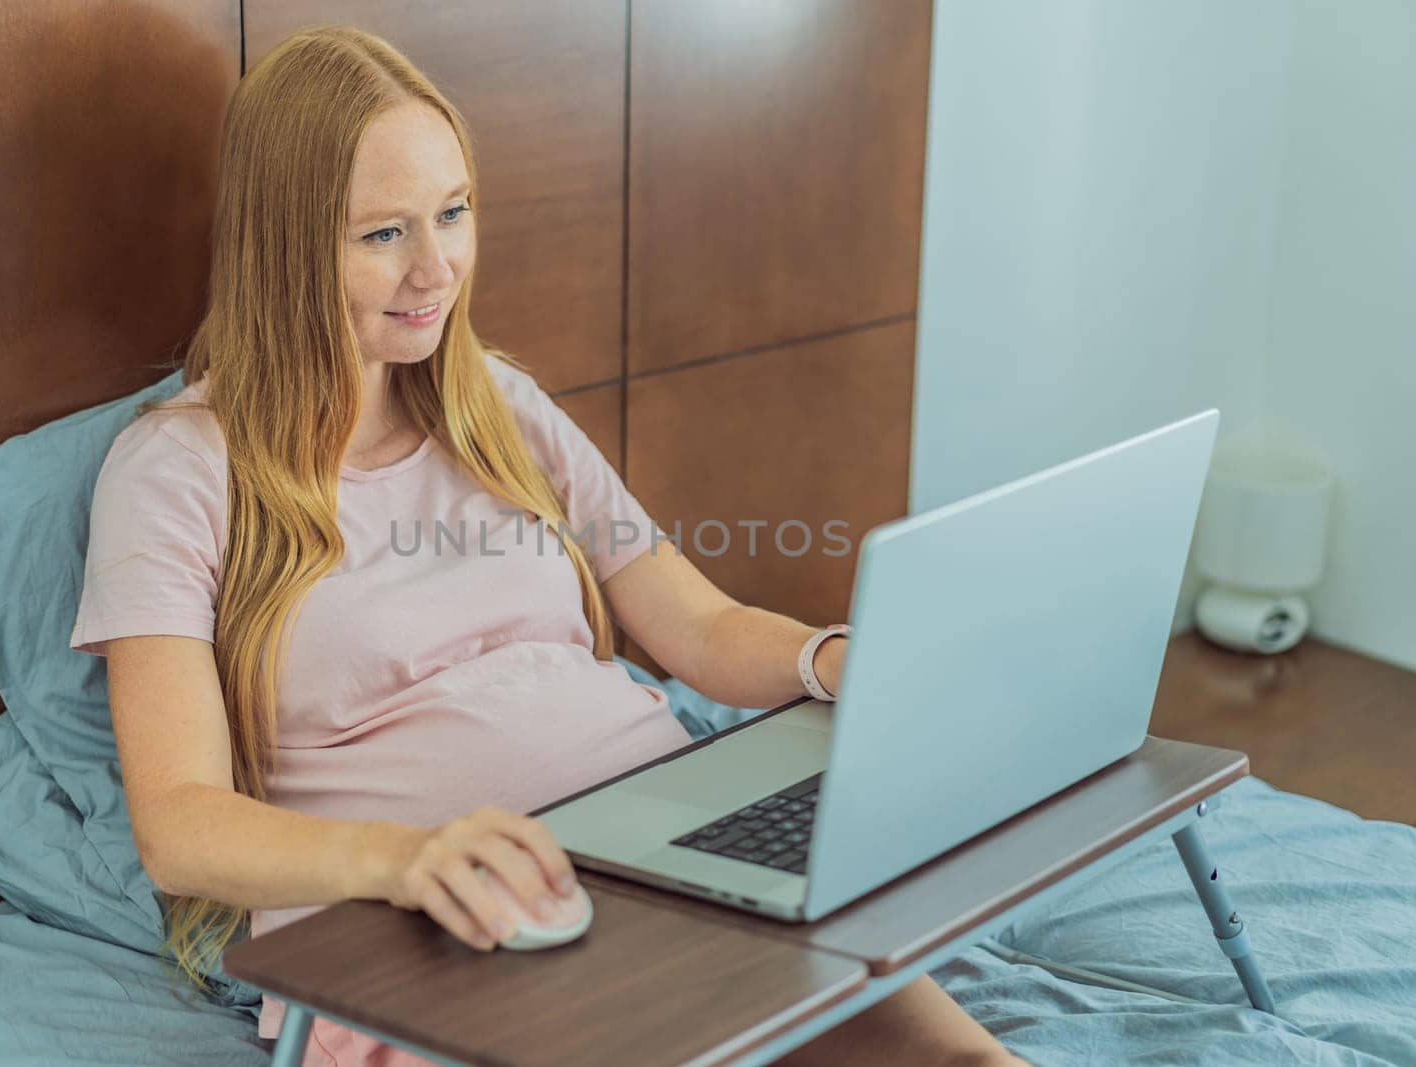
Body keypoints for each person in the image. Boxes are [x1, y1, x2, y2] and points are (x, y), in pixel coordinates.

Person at [69, 25, 1024, 1067]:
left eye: (453, 212)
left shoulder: (498, 406)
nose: (436, 269)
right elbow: (178, 822)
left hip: (666, 850)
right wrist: (408, 858)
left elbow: (694, 625)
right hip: (442, 917)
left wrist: (828, 658)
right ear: (286, 243)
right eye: (383, 233)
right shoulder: (176, 467)